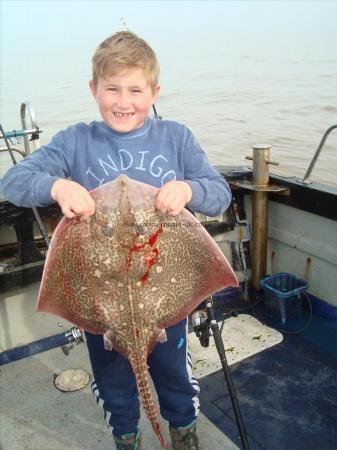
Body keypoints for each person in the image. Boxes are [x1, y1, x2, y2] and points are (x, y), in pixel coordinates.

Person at [1, 31, 232, 450]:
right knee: (114, 381)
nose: (123, 101)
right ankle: (127, 436)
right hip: (100, 297)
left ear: (154, 92)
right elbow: (14, 181)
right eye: (112, 89)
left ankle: (182, 430)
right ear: (94, 89)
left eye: (135, 90)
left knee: (174, 375)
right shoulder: (75, 141)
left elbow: (219, 193)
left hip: (165, 297)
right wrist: (56, 187)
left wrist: (188, 190)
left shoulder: (175, 137)